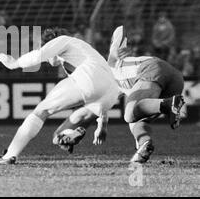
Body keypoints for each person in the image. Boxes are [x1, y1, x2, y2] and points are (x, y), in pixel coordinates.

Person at [53, 26, 186, 164]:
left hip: (151, 69)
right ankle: (144, 145)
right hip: (175, 81)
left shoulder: (109, 64)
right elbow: (98, 108)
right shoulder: (114, 87)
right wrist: (97, 128)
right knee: (136, 120)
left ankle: (168, 104)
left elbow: (120, 30)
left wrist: (116, 51)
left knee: (129, 114)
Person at [0, 27, 120, 165]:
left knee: (41, 111)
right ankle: (71, 134)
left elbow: (37, 56)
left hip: (89, 81)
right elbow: (103, 87)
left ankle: (10, 155)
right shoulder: (84, 50)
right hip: (110, 94)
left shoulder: (63, 40)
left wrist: (14, 64)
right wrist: (103, 125)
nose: (48, 60)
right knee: (57, 137)